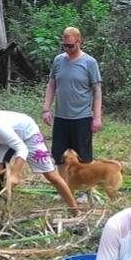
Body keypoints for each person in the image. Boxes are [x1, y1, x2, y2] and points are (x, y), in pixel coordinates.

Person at [0, 107, 78, 221]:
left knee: (51, 175)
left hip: (27, 134)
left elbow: (22, 148)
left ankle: (75, 211)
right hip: (3, 139)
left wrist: (15, 174)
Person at [42, 27, 102, 178]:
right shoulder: (58, 60)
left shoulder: (89, 62)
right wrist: (46, 109)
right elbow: (51, 85)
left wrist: (97, 117)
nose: (67, 49)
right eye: (65, 46)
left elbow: (97, 91)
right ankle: (65, 186)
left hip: (81, 117)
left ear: (79, 42)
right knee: (59, 155)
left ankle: (84, 188)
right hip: (62, 117)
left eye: (71, 46)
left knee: (83, 156)